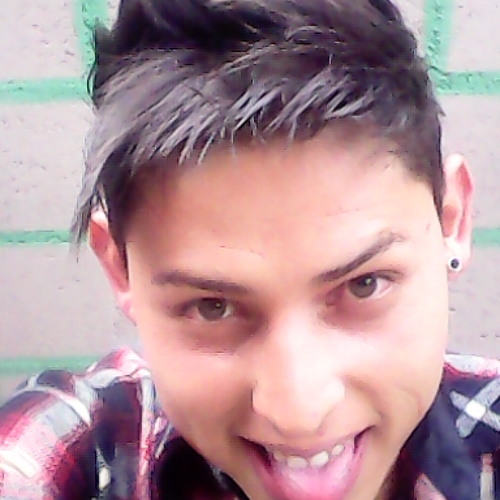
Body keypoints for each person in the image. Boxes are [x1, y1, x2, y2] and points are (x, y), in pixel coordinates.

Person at [1, 0, 499, 498]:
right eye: (212, 307)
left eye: (364, 285)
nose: (300, 413)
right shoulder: (84, 453)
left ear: (450, 221)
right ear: (121, 270)